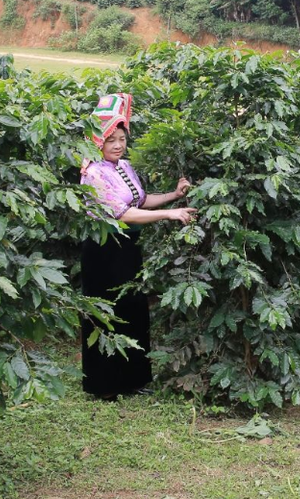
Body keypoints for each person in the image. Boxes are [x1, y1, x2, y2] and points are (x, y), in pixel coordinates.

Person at [79, 93, 196, 399]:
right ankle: (104, 386)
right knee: (107, 313)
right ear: (97, 142)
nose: (118, 145)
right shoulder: (93, 174)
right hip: (103, 250)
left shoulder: (124, 167)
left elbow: (141, 201)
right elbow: (123, 213)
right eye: (111, 140)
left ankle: (133, 380)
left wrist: (173, 195)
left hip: (128, 247)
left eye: (122, 138)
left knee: (133, 309)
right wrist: (169, 215)